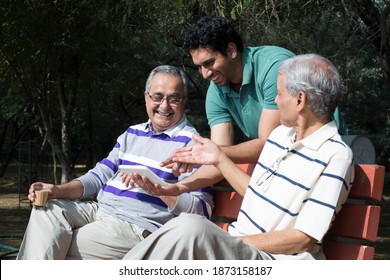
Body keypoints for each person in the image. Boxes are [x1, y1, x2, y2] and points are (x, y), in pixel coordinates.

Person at [123, 54, 354, 260]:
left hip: (275, 261)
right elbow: (255, 192)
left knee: (191, 227)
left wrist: (228, 242)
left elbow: (304, 239)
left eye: (279, 93)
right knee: (187, 228)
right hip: (239, 247)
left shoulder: (335, 154)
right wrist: (219, 157)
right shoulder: (281, 136)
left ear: (300, 100)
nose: (275, 100)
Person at [16, 65, 214, 260]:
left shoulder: (193, 145)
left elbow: (201, 210)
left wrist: (160, 191)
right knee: (46, 209)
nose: (164, 106)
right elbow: (98, 176)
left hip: (136, 226)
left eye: (174, 99)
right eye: (158, 97)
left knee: (51, 242)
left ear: (184, 102)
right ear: (146, 98)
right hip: (99, 210)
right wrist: (57, 190)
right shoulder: (131, 133)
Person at [179, 16, 346, 165]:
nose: (205, 74)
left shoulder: (274, 66)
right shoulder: (217, 89)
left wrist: (211, 153)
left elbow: (268, 144)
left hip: (323, 153)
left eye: (209, 63)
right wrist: (175, 187)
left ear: (231, 50)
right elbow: (220, 153)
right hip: (281, 160)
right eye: (199, 67)